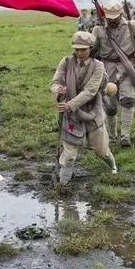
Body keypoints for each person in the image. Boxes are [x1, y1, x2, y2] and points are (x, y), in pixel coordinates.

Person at [51, 31, 118, 183]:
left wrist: (70, 104)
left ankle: (113, 165)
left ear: (91, 48)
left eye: (84, 49)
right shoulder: (66, 62)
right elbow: (55, 80)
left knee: (101, 150)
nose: (80, 52)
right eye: (77, 49)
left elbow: (91, 91)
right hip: (71, 116)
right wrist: (57, 89)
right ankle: (63, 184)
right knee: (69, 155)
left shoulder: (98, 66)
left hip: (92, 112)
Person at [91, 0, 135, 147]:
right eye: (109, 18)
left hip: (127, 67)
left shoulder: (131, 25)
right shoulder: (98, 29)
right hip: (106, 69)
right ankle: (111, 136)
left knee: (128, 100)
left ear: (121, 14)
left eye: (115, 17)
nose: (112, 20)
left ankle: (125, 136)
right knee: (110, 106)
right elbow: (92, 49)